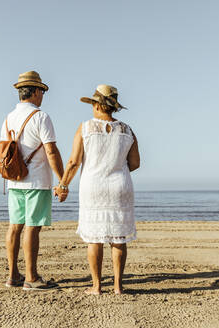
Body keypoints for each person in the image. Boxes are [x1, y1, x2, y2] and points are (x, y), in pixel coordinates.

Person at [54, 84, 140, 295]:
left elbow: (74, 162)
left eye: (93, 103)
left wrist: (63, 185)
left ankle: (96, 286)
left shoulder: (85, 128)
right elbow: (135, 163)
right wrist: (116, 166)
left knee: (95, 238)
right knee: (118, 238)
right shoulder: (127, 130)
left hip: (93, 187)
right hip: (120, 186)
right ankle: (118, 286)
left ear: (97, 105)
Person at [1, 71, 64, 290]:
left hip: (14, 180)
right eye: (42, 91)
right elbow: (51, 151)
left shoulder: (8, 117)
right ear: (36, 92)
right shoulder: (40, 117)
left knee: (15, 227)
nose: (43, 96)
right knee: (32, 228)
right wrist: (62, 180)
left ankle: (13, 276)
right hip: (37, 180)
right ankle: (31, 277)